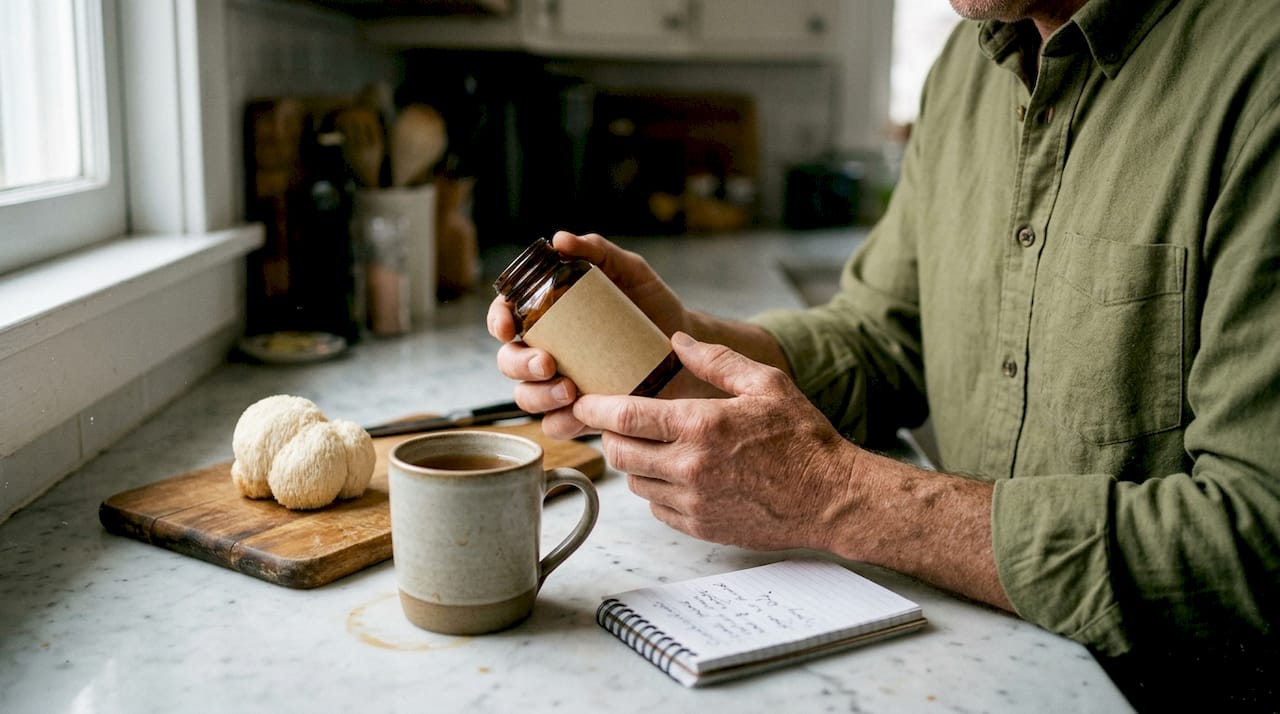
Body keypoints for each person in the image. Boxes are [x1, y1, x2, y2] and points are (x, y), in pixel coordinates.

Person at [489, 0, 1278, 706]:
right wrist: (682, 342)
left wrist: (838, 496)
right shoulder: (966, 71)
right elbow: (884, 337)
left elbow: (1255, 535)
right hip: (969, 661)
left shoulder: (1258, 70)